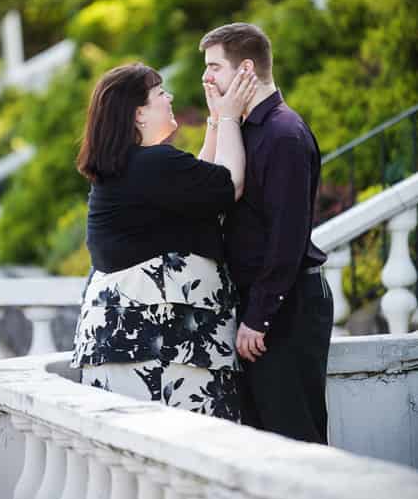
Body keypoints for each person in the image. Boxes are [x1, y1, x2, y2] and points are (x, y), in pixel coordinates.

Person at [71, 62, 257, 420]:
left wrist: (217, 121)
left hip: (136, 345)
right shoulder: (152, 164)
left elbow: (198, 186)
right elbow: (228, 184)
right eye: (160, 93)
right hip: (158, 350)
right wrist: (231, 118)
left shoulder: (134, 167)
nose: (169, 97)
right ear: (139, 113)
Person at [200, 23, 333, 443]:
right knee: (263, 444)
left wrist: (259, 316)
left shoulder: (283, 134)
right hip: (263, 309)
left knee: (296, 439)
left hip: (287, 311)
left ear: (245, 69)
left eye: (214, 67)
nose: (206, 78)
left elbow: (287, 237)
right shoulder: (243, 129)